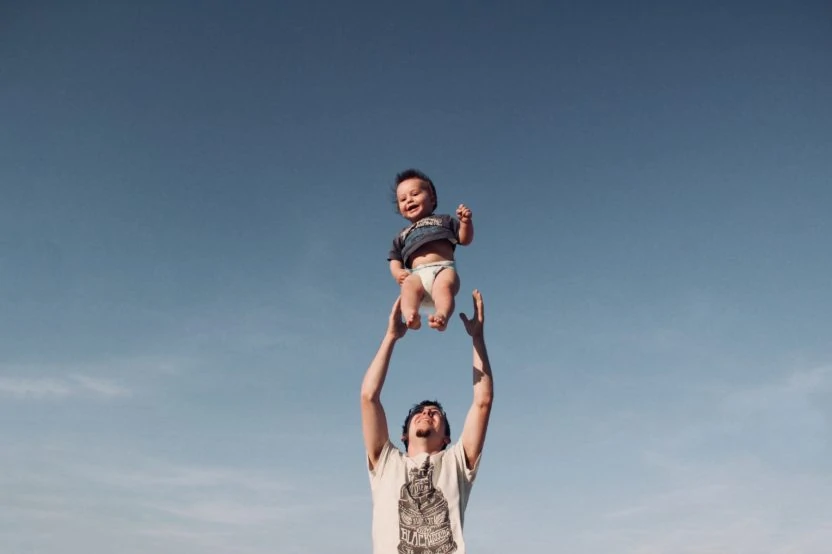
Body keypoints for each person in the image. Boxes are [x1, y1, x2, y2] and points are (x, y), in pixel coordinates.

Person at [360, 290, 494, 554]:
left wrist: (477, 338)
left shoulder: (456, 463)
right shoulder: (387, 463)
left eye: (435, 413)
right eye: (419, 412)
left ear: (446, 438)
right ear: (404, 435)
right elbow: (369, 397)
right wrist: (390, 337)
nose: (427, 413)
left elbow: (483, 401)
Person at [388, 169, 474, 332]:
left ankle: (441, 315)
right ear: (400, 208)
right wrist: (398, 273)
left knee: (443, 287)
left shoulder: (444, 220)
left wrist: (465, 223)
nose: (409, 200)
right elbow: (394, 258)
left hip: (443, 268)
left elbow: (464, 239)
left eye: (415, 194)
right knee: (408, 286)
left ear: (432, 198)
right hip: (417, 274)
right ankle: (411, 315)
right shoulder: (402, 235)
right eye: (403, 199)